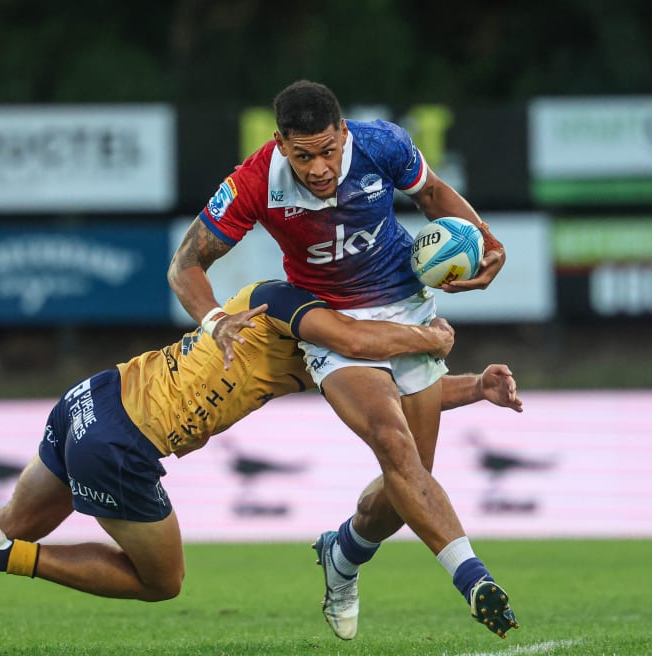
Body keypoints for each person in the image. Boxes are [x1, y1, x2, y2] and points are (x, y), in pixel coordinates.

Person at [0, 279, 523, 656]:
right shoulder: (290, 305)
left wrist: (472, 387)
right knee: (161, 581)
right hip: (120, 446)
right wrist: (431, 338)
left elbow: (390, 389)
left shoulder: (302, 334)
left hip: (94, 397)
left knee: (14, 517)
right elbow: (363, 351)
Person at [167, 80, 517, 640]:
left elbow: (433, 197)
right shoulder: (253, 182)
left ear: (344, 133)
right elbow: (185, 265)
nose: (320, 168)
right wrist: (213, 318)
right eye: (303, 156)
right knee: (392, 440)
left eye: (328, 151)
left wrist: (487, 241)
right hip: (332, 323)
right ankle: (474, 580)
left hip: (410, 308)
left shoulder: (384, 144)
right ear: (281, 144)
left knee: (406, 490)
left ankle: (344, 554)